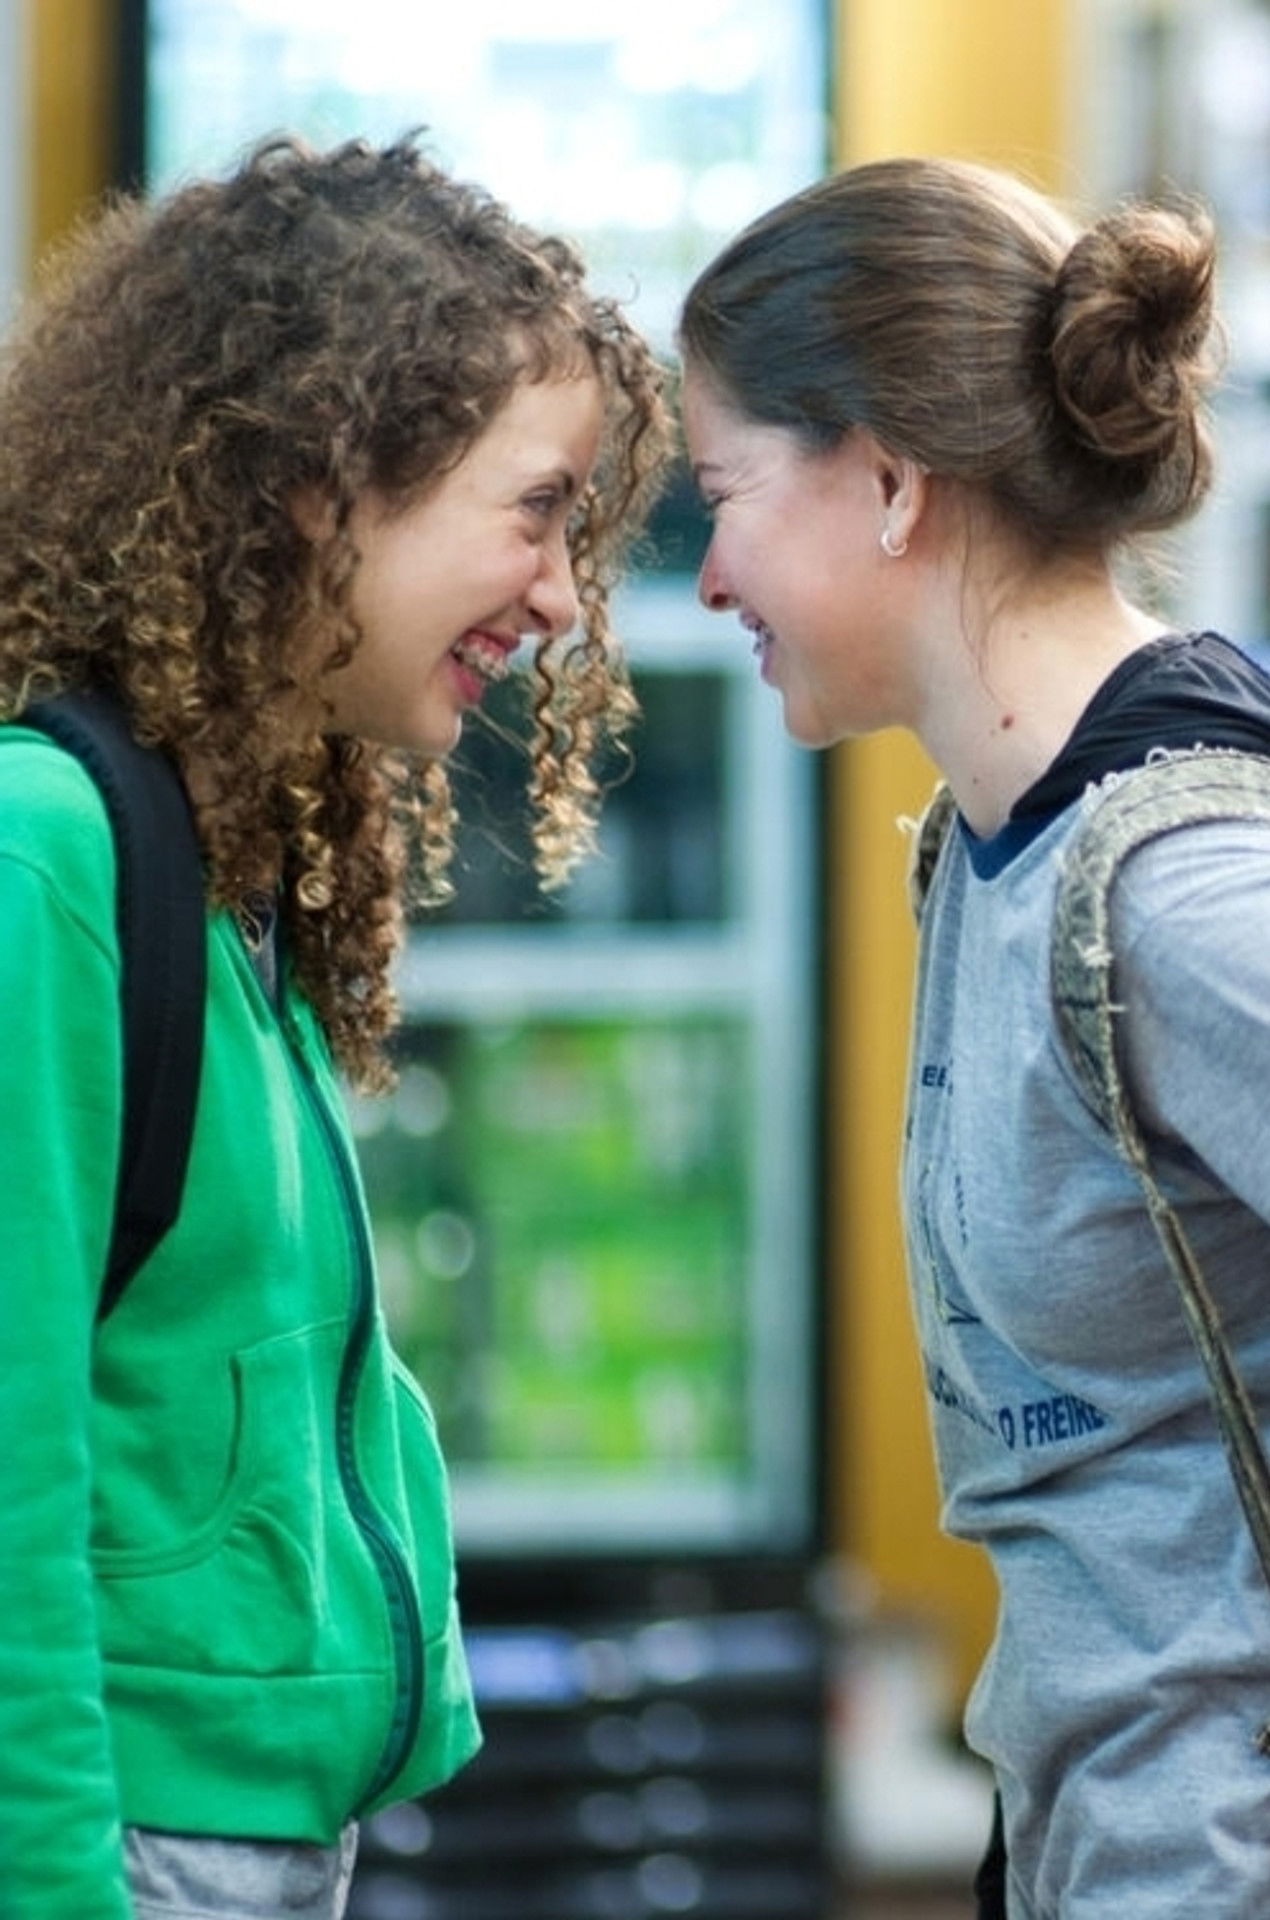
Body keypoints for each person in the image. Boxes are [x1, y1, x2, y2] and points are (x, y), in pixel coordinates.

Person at [0, 132, 670, 1919]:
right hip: (124, 1846)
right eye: (536, 509)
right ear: (316, 481)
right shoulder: (49, 855)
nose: (560, 597)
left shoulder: (216, 851)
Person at [678, 156, 1270, 1916]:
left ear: (886, 480)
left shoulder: (1175, 896)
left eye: (721, 493)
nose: (706, 576)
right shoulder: (993, 844)